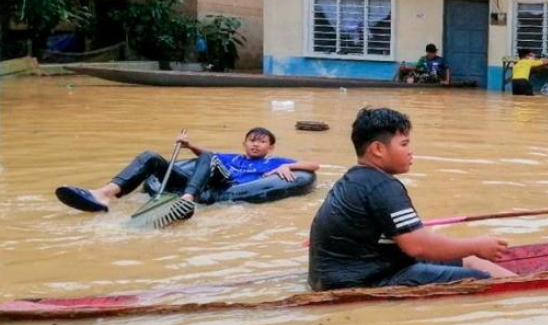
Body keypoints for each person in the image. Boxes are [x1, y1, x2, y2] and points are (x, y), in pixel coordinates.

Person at [308, 107, 516, 291]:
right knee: (482, 280)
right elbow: (418, 246)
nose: (410, 151)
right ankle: (526, 294)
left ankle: (525, 283)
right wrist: (476, 244)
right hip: (364, 281)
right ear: (378, 149)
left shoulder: (354, 178)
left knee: (468, 260)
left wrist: (473, 249)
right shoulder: (382, 186)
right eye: (404, 144)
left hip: (335, 276)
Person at [55, 127, 320, 216]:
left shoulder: (273, 162)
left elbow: (313, 166)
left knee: (209, 157)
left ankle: (187, 200)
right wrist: (189, 144)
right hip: (202, 183)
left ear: (270, 148)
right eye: (251, 139)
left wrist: (288, 165)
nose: (255, 144)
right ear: (244, 143)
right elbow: (204, 155)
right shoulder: (232, 156)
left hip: (224, 188)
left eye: (261, 141)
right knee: (151, 157)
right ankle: (105, 194)